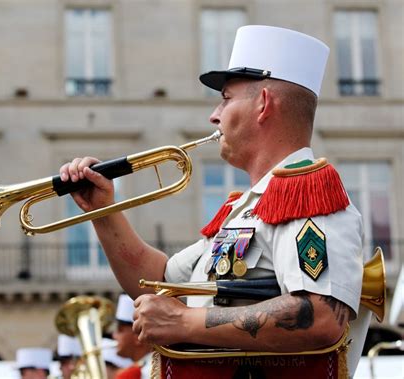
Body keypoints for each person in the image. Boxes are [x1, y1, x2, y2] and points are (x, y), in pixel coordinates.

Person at [59, 25, 370, 377]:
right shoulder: (245, 208)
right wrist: (104, 212)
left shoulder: (306, 194)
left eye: (226, 97)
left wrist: (186, 321)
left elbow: (321, 315)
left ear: (264, 104)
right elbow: (160, 282)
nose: (214, 114)